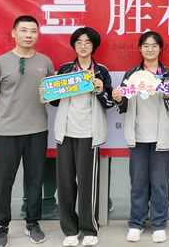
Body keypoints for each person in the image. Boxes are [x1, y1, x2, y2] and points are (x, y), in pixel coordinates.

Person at [0, 15, 55, 247]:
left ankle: (32, 222)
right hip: (8, 132)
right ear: (13, 33)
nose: (28, 35)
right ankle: (2, 226)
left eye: (33, 31)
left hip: (37, 130)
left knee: (35, 179)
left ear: (37, 34)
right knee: (4, 181)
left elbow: (53, 93)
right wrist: (5, 114)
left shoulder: (45, 62)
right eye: (23, 30)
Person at [112, 31, 169, 243]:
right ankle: (136, 223)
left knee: (160, 183)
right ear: (140, 48)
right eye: (145, 45)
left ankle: (159, 224)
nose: (150, 49)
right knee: (138, 183)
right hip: (138, 136)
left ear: (160, 48)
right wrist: (119, 99)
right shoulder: (131, 74)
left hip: (162, 136)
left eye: (154, 45)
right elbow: (123, 106)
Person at [46, 27, 114, 247]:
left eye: (87, 42)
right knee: (65, 184)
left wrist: (100, 89)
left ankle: (89, 229)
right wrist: (47, 93)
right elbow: (55, 101)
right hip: (65, 132)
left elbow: (110, 103)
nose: (83, 46)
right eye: (79, 42)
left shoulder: (101, 71)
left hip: (89, 134)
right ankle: (70, 230)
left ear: (94, 46)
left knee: (87, 184)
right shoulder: (66, 69)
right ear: (74, 46)